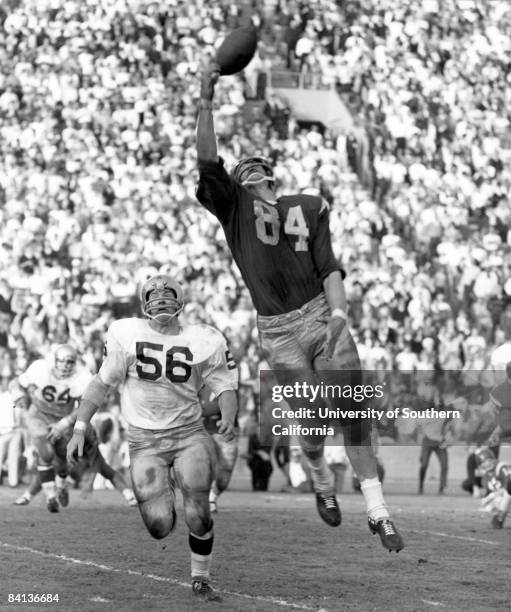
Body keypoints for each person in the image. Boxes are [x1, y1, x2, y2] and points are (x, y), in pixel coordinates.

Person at [195, 64, 403, 552]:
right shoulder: (234, 209)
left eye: (254, 169)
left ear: (268, 177)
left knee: (353, 413)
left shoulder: (308, 207)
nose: (249, 173)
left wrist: (339, 314)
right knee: (311, 425)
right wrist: (205, 102)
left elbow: (330, 267)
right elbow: (208, 160)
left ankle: (378, 511)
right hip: (280, 330)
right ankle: (320, 480)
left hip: (319, 314)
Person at [67, 274, 238, 601]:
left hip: (189, 434)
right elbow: (100, 384)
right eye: (154, 294)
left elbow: (224, 386)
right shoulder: (126, 333)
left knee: (198, 513)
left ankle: (200, 576)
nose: (161, 298)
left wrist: (228, 416)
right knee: (159, 525)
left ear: (181, 300)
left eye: (169, 292)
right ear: (142, 301)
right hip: (144, 440)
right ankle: (167, 489)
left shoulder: (205, 339)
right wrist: (79, 427)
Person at [11, 345, 93, 512]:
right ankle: (50, 497)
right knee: (46, 453)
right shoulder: (40, 369)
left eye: (70, 362)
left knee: (62, 462)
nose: (66, 365)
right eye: (62, 361)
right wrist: (17, 395)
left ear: (75, 363)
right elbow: (16, 383)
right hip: (38, 414)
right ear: (54, 361)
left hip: (63, 419)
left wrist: (64, 423)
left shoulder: (81, 376)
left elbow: (85, 405)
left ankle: (61, 486)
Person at [200, 386, 239, 513]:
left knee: (225, 473)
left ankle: (213, 496)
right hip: (202, 432)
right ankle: (206, 500)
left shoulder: (230, 384)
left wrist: (201, 409)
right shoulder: (197, 382)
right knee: (201, 467)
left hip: (225, 433)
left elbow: (228, 403)